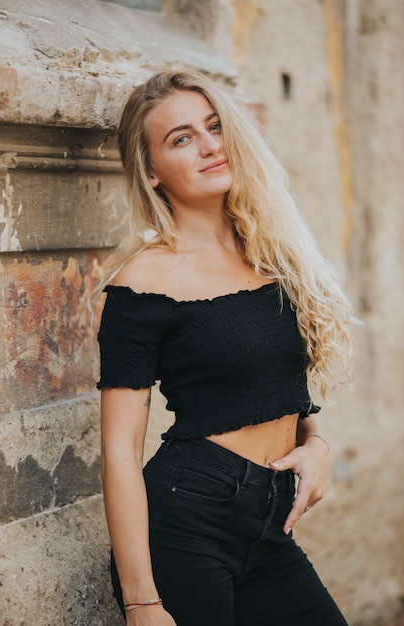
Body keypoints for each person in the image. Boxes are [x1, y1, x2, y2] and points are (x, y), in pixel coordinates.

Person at [96, 70, 353, 626]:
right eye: (181, 138)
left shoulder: (270, 253)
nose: (210, 146)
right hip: (190, 522)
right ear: (152, 172)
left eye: (214, 127)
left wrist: (317, 445)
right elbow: (119, 451)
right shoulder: (143, 282)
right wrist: (142, 601)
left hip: (269, 522)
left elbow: (276, 384)